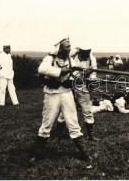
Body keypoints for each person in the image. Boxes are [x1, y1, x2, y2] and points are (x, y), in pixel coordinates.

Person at [29, 38, 91, 166]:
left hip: (66, 93)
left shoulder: (70, 59)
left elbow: (76, 73)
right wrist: (63, 71)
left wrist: (83, 74)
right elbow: (42, 69)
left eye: (70, 46)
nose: (69, 49)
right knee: (47, 124)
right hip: (52, 94)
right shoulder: (50, 58)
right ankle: (37, 153)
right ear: (60, 48)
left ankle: (84, 152)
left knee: (73, 122)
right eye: (67, 47)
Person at [71, 46, 100, 141]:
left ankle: (90, 135)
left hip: (82, 85)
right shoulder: (71, 56)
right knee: (66, 111)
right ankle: (59, 134)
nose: (86, 54)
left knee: (87, 111)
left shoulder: (92, 59)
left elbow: (93, 74)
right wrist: (83, 73)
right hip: (68, 86)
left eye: (88, 52)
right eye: (84, 52)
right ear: (79, 51)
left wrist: (90, 76)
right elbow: (70, 72)